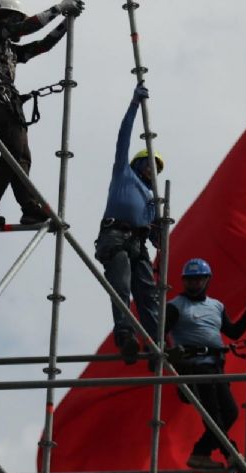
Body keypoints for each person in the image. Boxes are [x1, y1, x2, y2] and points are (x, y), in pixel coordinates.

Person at [0, 0, 85, 227]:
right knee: (13, 152)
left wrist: (66, 23)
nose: (19, 24)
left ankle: (29, 209)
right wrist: (59, 8)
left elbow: (42, 46)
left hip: (9, 106)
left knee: (22, 157)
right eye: (17, 19)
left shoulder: (9, 49)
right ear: (6, 17)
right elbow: (26, 28)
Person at [165, 258, 246, 471]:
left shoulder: (216, 306)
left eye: (198, 279)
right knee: (212, 414)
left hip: (215, 365)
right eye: (190, 280)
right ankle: (230, 453)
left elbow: (233, 332)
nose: (194, 283)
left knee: (230, 412)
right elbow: (158, 335)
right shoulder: (175, 306)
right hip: (193, 366)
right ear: (183, 281)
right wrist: (168, 356)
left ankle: (201, 453)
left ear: (207, 280)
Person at [94, 85, 162, 362]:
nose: (152, 171)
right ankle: (125, 335)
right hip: (115, 236)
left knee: (148, 294)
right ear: (138, 163)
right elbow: (124, 135)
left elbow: (157, 239)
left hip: (138, 243)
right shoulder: (123, 173)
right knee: (121, 283)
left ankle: (157, 345)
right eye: (150, 164)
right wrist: (134, 104)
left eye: (156, 169)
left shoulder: (151, 199)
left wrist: (160, 231)